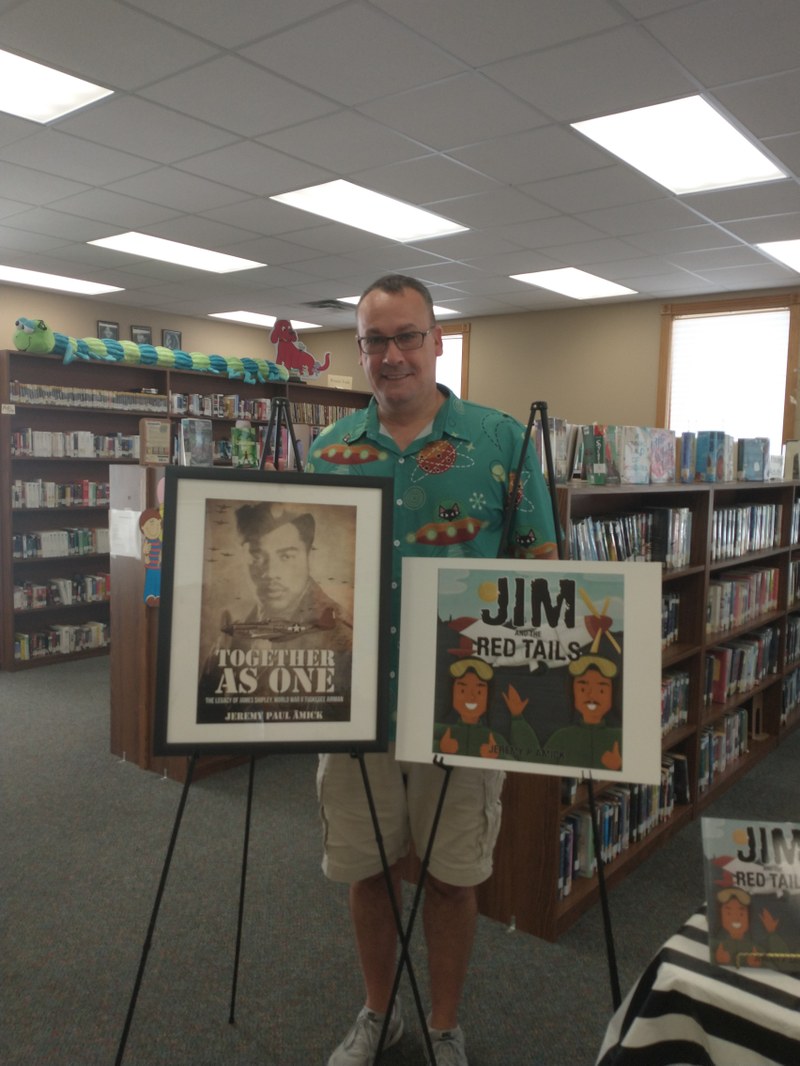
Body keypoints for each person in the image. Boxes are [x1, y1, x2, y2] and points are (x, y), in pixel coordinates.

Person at [305, 274, 558, 1065]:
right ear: (359, 350)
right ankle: (380, 1014)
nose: (392, 354)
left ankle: (443, 1024)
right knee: (367, 867)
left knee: (452, 876)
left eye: (407, 335)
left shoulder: (503, 442)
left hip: (466, 707)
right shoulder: (326, 451)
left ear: (438, 339)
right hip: (357, 704)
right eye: (375, 340)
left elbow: (541, 571)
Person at [196, 502, 353, 722]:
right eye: (258, 556)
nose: (270, 573)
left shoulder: (341, 639)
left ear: (310, 558)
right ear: (244, 557)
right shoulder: (234, 630)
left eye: (286, 556)